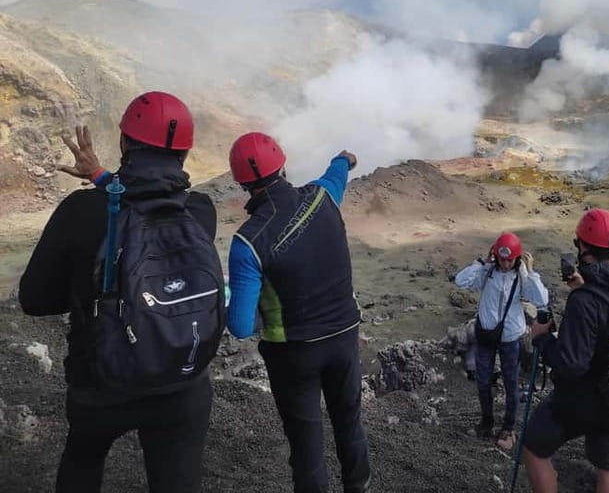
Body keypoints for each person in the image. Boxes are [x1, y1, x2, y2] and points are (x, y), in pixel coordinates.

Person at [18, 91, 218, 493]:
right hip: (181, 380)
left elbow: (34, 300)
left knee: (84, 458)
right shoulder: (200, 212)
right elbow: (152, 200)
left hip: (102, 382)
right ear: (184, 153)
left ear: (125, 142)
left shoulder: (80, 211)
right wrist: (100, 177)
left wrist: (90, 291)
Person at [225, 132, 370, 493]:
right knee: (349, 422)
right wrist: (344, 159)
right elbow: (336, 173)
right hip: (344, 338)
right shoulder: (322, 196)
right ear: (283, 165)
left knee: (307, 446)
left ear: (241, 183)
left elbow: (240, 326)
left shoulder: (247, 242)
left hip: (294, 354)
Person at [524, 208, 609, 493]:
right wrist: (585, 286)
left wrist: (542, 339)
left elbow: (571, 364)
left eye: (579, 243)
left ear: (585, 248)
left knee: (534, 448)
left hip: (583, 398)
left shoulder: (584, 302)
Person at [454, 232, 549, 450]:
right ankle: (486, 422)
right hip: (486, 334)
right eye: (502, 259)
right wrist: (482, 262)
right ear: (496, 256)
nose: (506, 264)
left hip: (510, 337)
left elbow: (541, 299)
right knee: (483, 381)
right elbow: (461, 280)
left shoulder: (521, 277)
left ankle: (509, 427)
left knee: (511, 381)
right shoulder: (488, 272)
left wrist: (530, 272)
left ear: (517, 258)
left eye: (510, 260)